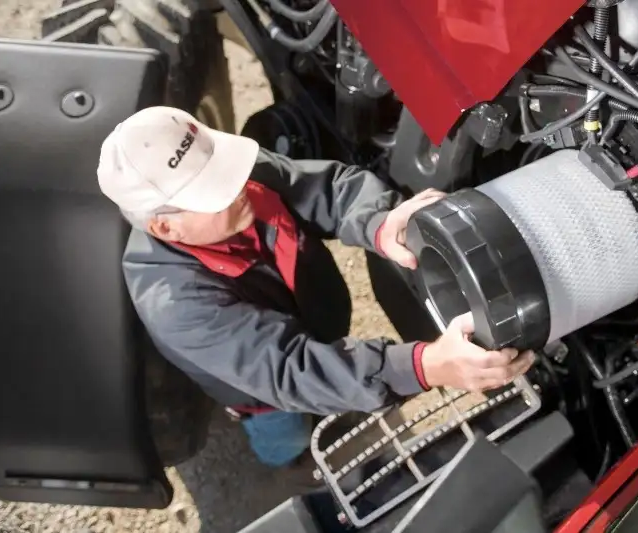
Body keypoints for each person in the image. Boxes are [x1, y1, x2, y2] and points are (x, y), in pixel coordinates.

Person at [96, 106, 535, 467]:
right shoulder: (175, 303)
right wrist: (426, 366)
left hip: (317, 322)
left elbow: (329, 191)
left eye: (224, 169)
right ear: (165, 228)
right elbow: (290, 370)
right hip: (262, 391)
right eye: (214, 192)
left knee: (334, 380)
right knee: (283, 433)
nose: (237, 187)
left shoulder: (243, 184)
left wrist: (379, 223)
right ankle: (291, 460)